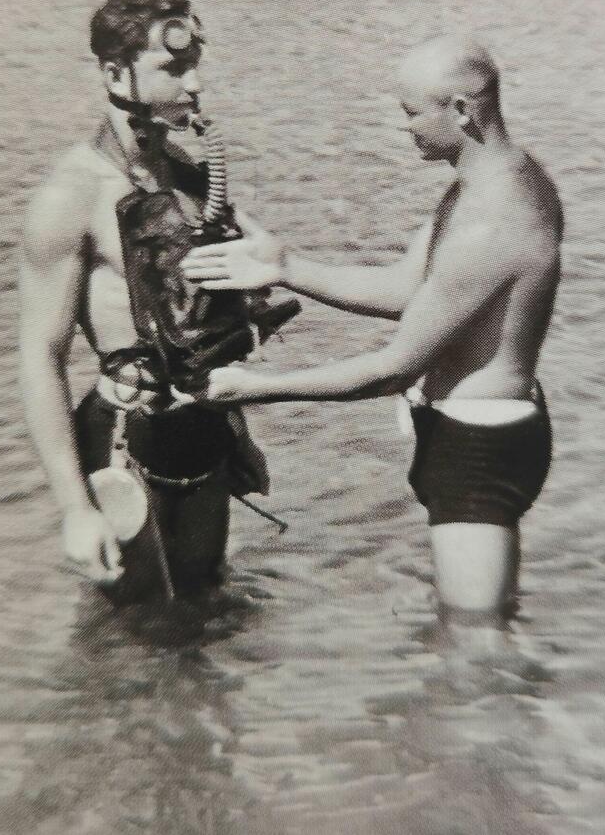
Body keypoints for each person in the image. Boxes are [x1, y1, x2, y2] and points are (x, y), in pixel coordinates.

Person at [182, 36, 563, 615]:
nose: (404, 129)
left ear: (462, 110)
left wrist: (256, 389)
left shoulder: (493, 219)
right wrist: (285, 268)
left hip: (478, 448)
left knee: (474, 644)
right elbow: (413, 293)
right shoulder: (496, 182)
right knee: (475, 633)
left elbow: (391, 369)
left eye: (412, 113)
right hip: (477, 431)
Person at [19, 0, 271, 599]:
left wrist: (238, 432)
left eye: (195, 65)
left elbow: (204, 325)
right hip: (126, 440)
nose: (194, 85)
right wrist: (75, 508)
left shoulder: (189, 175)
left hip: (203, 433)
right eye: (173, 67)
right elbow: (39, 358)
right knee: (131, 634)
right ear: (115, 72)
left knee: (204, 612)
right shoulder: (71, 194)